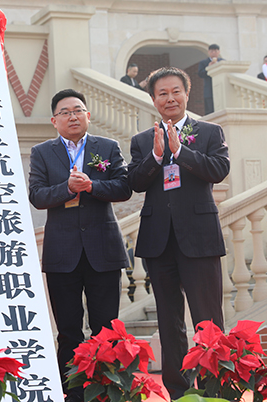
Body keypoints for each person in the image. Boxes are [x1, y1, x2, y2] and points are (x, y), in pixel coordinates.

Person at [128, 67, 229, 399]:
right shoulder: (143, 141)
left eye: (175, 92)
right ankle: (178, 391)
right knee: (170, 323)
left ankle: (217, 389)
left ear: (187, 94)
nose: (169, 98)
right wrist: (157, 155)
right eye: (162, 94)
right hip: (160, 242)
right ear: (153, 100)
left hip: (199, 238)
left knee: (208, 319)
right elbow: (135, 183)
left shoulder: (210, 132)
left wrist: (181, 151)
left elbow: (218, 169)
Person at [28, 89, 131, 402]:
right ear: (54, 120)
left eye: (78, 110)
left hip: (104, 250)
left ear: (88, 115)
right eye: (65, 112)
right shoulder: (42, 152)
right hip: (62, 254)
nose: (72, 116)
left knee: (106, 327)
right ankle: (72, 391)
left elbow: (125, 187)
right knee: (69, 329)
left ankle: (107, 389)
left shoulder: (107, 147)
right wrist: (66, 188)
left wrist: (93, 186)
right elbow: (36, 195)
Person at [198, 44, 224, 114]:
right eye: (212, 51)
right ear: (209, 52)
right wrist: (208, 68)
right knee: (210, 110)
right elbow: (200, 74)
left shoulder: (223, 62)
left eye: (215, 51)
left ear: (219, 52)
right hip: (209, 89)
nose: (214, 53)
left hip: (221, 88)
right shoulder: (204, 62)